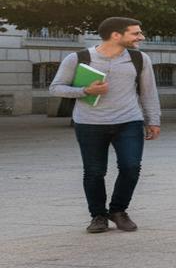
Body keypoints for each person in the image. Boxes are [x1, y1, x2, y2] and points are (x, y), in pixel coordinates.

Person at [49, 16, 161, 234]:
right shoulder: (78, 58)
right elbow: (55, 88)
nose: (141, 37)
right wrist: (85, 91)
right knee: (94, 171)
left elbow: (148, 92)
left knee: (131, 167)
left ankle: (118, 211)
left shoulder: (140, 58)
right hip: (90, 124)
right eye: (135, 33)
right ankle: (98, 216)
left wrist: (153, 120)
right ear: (116, 35)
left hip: (129, 121)